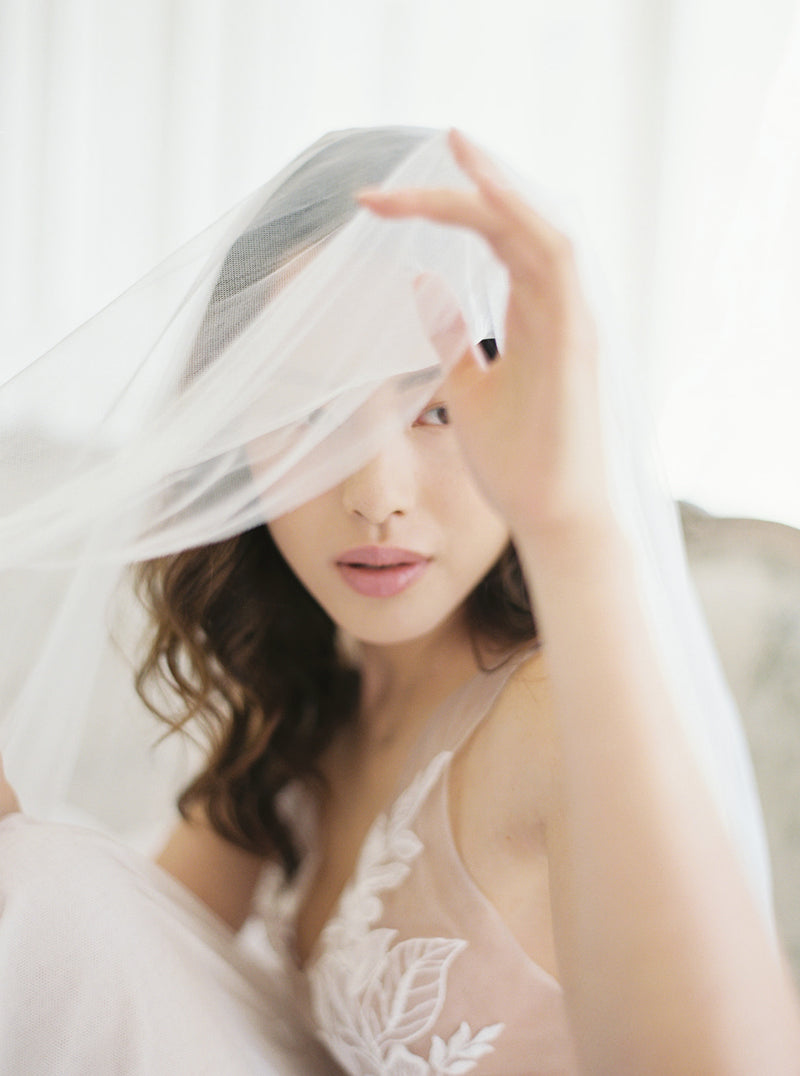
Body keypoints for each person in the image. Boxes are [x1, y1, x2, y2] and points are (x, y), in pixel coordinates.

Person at [0, 127, 799, 1075]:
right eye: (313, 412)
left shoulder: (553, 718)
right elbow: (135, 957)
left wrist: (571, 530)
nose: (376, 492)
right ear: (233, 434)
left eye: (441, 410)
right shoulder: (308, 701)